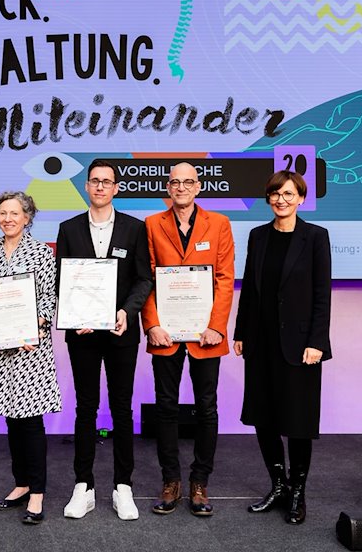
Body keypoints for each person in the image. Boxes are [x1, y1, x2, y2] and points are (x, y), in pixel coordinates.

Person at [233, 170, 332, 525]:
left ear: (301, 199)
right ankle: (278, 486)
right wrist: (240, 331)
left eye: (289, 194)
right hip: (261, 343)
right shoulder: (258, 237)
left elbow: (323, 294)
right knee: (265, 417)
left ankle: (298, 492)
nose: (282, 199)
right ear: (268, 198)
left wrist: (317, 342)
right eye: (276, 193)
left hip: (301, 346)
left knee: (298, 421)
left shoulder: (315, 237)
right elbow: (250, 289)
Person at [55, 160, 152, 521]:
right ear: (86, 186)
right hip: (82, 335)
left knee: (122, 408)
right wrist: (71, 314)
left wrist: (127, 311)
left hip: (121, 332)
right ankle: (84, 485)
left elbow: (144, 278)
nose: (99, 187)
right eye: (94, 181)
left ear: (116, 188)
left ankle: (122, 486)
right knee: (85, 408)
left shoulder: (134, 229)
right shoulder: (69, 229)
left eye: (106, 182)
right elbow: (61, 279)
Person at [141, 162, 235, 517]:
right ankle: (171, 481)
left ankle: (199, 482)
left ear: (198, 187)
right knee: (165, 407)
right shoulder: (152, 224)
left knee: (206, 408)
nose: (181, 187)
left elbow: (225, 279)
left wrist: (217, 326)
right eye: (175, 182)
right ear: (168, 187)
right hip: (165, 332)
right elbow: (146, 277)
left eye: (188, 182)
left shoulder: (220, 223)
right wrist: (151, 324)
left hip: (205, 335)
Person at [0, 192, 61, 525]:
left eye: (14, 213)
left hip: (29, 350)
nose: (7, 218)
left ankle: (37, 491)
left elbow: (50, 299)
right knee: (10, 418)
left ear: (27, 217)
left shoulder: (40, 252)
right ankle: (21, 483)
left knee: (30, 420)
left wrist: (31, 327)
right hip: (0, 350)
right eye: (2, 213)